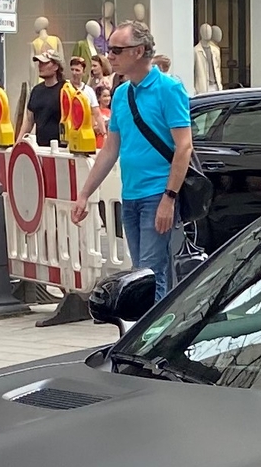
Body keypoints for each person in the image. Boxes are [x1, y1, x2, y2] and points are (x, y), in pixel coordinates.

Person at [70, 20, 193, 298]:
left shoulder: (168, 88)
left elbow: (184, 147)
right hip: (131, 195)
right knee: (140, 272)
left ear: (138, 51)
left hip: (157, 193)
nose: (109, 55)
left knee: (151, 272)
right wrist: (84, 194)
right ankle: (146, 332)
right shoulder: (122, 94)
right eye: (110, 49)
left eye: (116, 49)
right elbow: (110, 149)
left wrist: (169, 198)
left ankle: (151, 336)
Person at [24, 53, 65, 148]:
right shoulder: (36, 90)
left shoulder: (65, 89)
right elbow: (29, 121)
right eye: (39, 63)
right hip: (40, 147)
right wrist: (18, 142)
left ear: (55, 66)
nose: (40, 66)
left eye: (44, 63)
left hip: (61, 148)